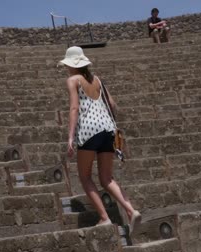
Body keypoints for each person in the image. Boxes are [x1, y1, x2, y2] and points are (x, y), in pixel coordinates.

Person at [60, 46, 141, 233]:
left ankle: (104, 218)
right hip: (108, 130)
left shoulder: (73, 80)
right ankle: (131, 210)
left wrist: (70, 136)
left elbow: (74, 108)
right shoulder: (97, 80)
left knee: (85, 176)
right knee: (107, 178)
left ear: (72, 65)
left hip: (89, 131)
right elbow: (112, 104)